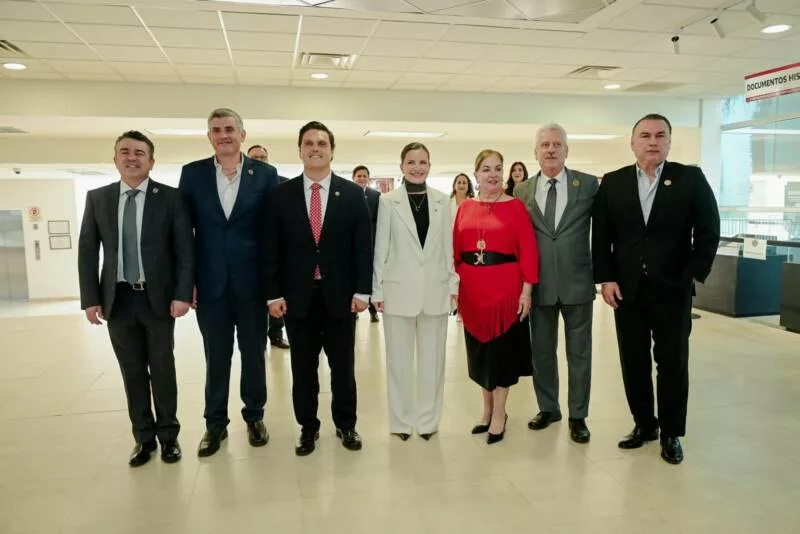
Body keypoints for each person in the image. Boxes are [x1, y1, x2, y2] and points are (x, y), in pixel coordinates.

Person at [592, 113, 720, 465]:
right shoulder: (614, 182)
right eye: (645, 135)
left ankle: (671, 433)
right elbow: (601, 235)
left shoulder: (690, 178)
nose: (652, 142)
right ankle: (644, 424)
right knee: (633, 361)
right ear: (632, 143)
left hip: (672, 289)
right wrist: (606, 278)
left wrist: (693, 274)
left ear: (669, 142)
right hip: (627, 290)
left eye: (660, 135)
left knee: (672, 363)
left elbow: (709, 229)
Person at [78, 130, 193, 467]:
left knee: (163, 369)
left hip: (157, 300)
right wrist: (90, 298)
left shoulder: (171, 198)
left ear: (151, 162)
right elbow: (88, 251)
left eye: (139, 153)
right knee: (132, 371)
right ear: (115, 159)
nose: (132, 158)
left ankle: (169, 436)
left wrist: (182, 294)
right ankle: (143, 438)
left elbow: (185, 250)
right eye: (125, 152)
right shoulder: (98, 198)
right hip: (117, 300)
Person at [266, 121, 373, 456]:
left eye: (322, 143)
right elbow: (271, 249)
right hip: (297, 298)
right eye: (309, 143)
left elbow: (363, 247)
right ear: (300, 150)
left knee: (343, 368)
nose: (315, 148)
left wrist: (363, 292)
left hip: (341, 298)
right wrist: (274, 294)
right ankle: (308, 428)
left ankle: (346, 425)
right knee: (303, 368)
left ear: (332, 150)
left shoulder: (352, 194)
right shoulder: (280, 195)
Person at [179, 108, 279, 457]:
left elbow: (272, 233)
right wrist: (187, 282)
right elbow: (183, 234)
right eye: (216, 130)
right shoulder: (192, 174)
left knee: (254, 355)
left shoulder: (265, 175)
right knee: (216, 357)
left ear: (242, 135)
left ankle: (254, 416)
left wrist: (273, 286)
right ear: (209, 136)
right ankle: (215, 424)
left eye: (229, 129)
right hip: (210, 286)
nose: (223, 135)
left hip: (252, 285)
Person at [513, 123, 598, 444]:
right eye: (545, 145)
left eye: (557, 144)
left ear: (566, 150)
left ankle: (578, 415)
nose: (551, 149)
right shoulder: (522, 191)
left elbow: (605, 230)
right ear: (535, 152)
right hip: (539, 285)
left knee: (580, 354)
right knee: (542, 353)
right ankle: (548, 408)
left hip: (578, 282)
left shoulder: (587, 185)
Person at [372, 143, 458, 442]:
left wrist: (453, 285)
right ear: (402, 166)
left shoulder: (443, 202)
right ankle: (400, 421)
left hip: (435, 290)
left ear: (430, 166)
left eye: (422, 162)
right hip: (397, 291)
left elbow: (448, 249)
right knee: (398, 362)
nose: (417, 167)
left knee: (433, 362)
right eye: (411, 162)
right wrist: (377, 289)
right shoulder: (388, 201)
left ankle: (428, 422)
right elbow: (381, 247)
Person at [453, 149, 539, 445]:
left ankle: (500, 413)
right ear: (475, 174)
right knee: (480, 356)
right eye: (486, 169)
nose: (493, 174)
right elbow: (455, 250)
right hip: (472, 292)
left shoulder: (515, 207)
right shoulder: (465, 208)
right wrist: (455, 289)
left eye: (498, 169)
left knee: (502, 356)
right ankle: (486, 410)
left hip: (506, 292)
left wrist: (527, 291)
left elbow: (528, 250)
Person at [246, 143, 290, 349]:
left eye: (262, 157)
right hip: (250, 251)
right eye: (254, 157)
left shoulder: (283, 184)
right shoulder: (240, 184)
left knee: (277, 294)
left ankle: (276, 334)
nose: (258, 160)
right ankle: (256, 338)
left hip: (278, 250)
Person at [352, 164, 381, 323]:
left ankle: (373, 311)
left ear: (368, 179)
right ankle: (354, 309)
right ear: (353, 178)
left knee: (370, 276)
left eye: (365, 176)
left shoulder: (376, 196)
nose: (362, 178)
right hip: (351, 243)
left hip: (372, 242)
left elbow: (379, 220)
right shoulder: (348, 193)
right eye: (359, 176)